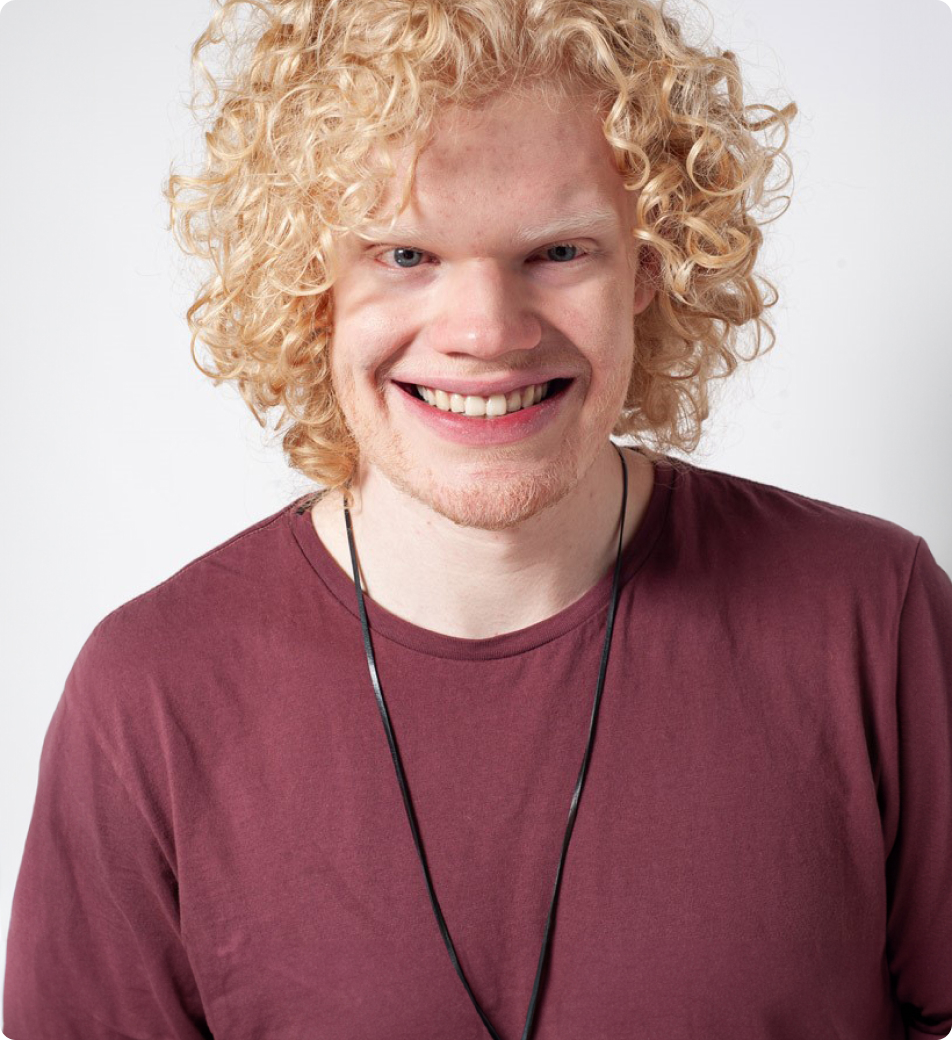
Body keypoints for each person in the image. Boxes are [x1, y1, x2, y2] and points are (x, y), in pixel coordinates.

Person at [3, 0, 950, 1037]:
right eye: (405, 254)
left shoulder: (873, 615)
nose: (486, 332)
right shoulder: (150, 696)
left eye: (556, 251)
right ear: (308, 285)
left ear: (649, 265)